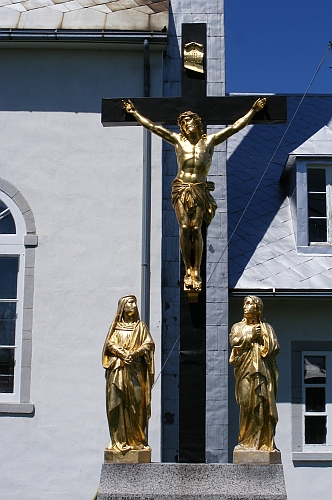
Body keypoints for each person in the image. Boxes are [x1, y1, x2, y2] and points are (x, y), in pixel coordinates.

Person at [123, 98, 266, 292]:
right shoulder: (178, 140)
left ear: (197, 124)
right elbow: (154, 128)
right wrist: (134, 113)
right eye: (183, 126)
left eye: (189, 125)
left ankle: (195, 269)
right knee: (184, 227)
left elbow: (234, 128)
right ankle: (186, 269)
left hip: (199, 188)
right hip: (182, 187)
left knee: (196, 227)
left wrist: (253, 111)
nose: (186, 129)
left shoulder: (209, 141)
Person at [102, 295, 155, 453]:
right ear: (123, 307)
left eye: (135, 302)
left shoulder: (141, 327)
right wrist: (123, 353)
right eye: (130, 302)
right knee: (117, 404)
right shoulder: (116, 328)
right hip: (117, 371)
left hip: (135, 372)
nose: (134, 305)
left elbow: (149, 343)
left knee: (136, 404)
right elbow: (109, 344)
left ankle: (137, 441)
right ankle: (119, 440)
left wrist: (136, 353)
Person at [229, 295, 279, 451]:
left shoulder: (267, 328)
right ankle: (245, 441)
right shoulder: (238, 327)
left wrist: (263, 338)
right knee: (246, 405)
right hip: (245, 371)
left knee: (263, 405)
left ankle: (264, 442)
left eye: (249, 304)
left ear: (257, 308)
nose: (245, 307)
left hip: (263, 373)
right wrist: (251, 335)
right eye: (244, 304)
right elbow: (234, 342)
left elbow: (274, 348)